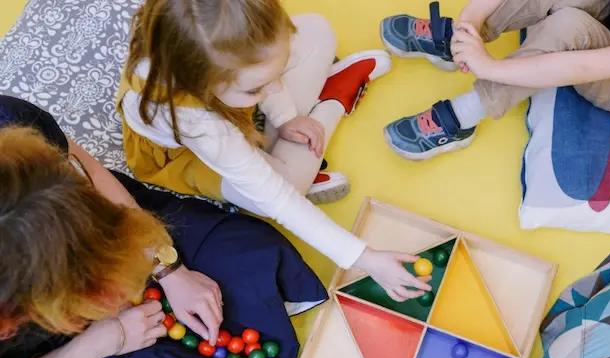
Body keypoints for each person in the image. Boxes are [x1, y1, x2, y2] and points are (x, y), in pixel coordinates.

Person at [0, 94, 329, 358]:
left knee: (251, 252)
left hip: (97, 235)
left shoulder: (13, 127)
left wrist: (166, 268)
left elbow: (91, 175)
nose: (123, 297)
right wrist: (94, 345)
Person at [118, 0, 432, 302]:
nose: (271, 89)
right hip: (188, 156)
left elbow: (267, 76)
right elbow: (277, 198)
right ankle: (335, 100)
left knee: (317, 29)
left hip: (226, 100)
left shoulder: (202, 28)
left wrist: (285, 116)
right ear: (203, 86)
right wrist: (366, 258)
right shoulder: (201, 125)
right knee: (285, 190)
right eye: (255, 89)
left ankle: (295, 139)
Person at [381, 0, 610, 160]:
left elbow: (583, 67)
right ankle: (454, 45)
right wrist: (468, 23)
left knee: (569, 27)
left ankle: (463, 117)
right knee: (569, 13)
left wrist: (488, 67)